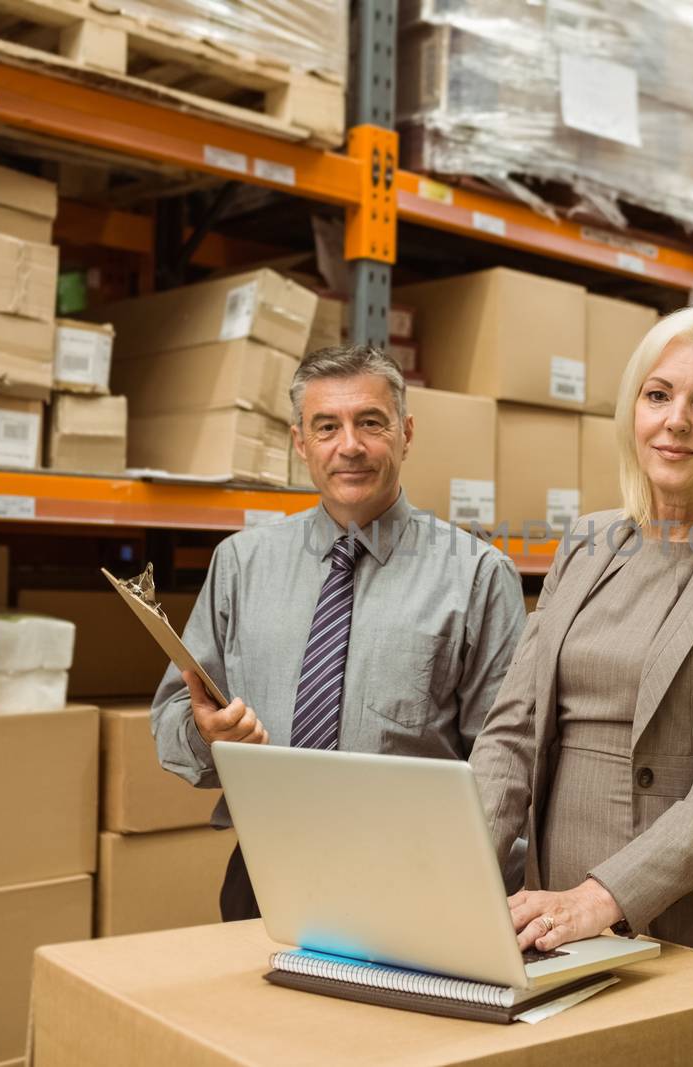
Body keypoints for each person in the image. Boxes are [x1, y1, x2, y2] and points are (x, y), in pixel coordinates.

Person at [468, 305, 693, 956]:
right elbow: (510, 730)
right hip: (551, 909)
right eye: (657, 395)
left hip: (690, 919)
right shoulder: (588, 540)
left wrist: (599, 899)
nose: (675, 421)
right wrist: (459, 879)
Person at [150, 343, 527, 922]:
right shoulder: (240, 566)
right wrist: (207, 733)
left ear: (405, 433)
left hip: (412, 880)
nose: (349, 445)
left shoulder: (476, 576)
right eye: (327, 427)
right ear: (301, 443)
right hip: (263, 874)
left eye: (370, 423)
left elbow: (504, 766)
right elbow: (174, 718)